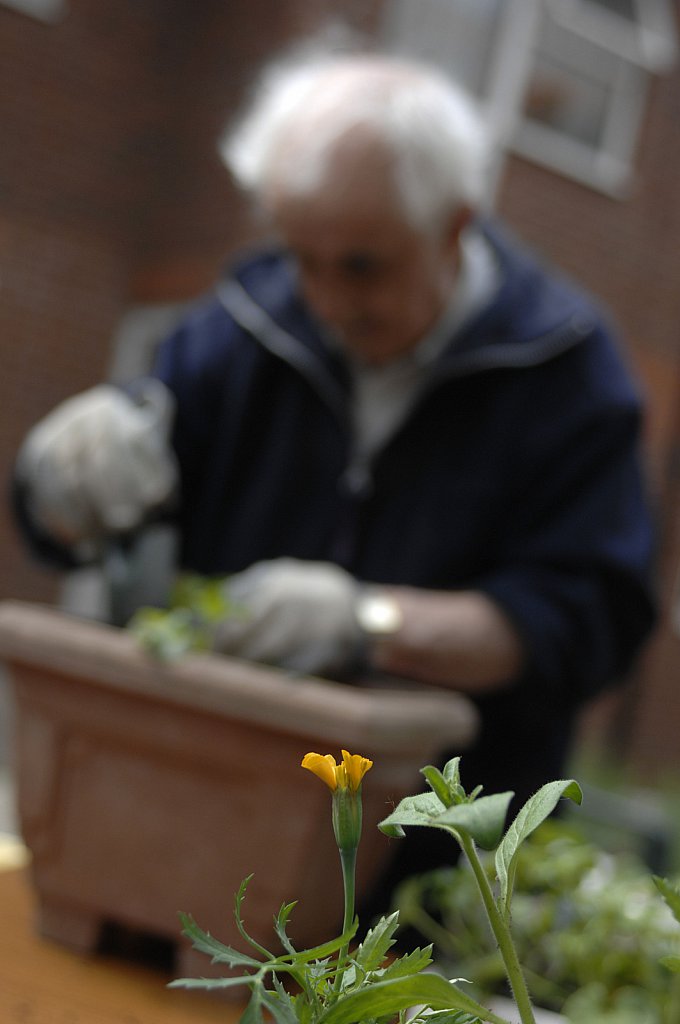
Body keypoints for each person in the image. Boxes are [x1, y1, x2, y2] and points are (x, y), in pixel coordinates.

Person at [13, 45, 656, 903]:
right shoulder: (245, 324)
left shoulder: (570, 377)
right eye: (299, 256)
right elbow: (89, 516)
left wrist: (369, 621)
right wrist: (60, 478)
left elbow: (583, 620)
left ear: (456, 225)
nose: (321, 299)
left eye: (361, 266)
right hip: (201, 841)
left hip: (428, 886)